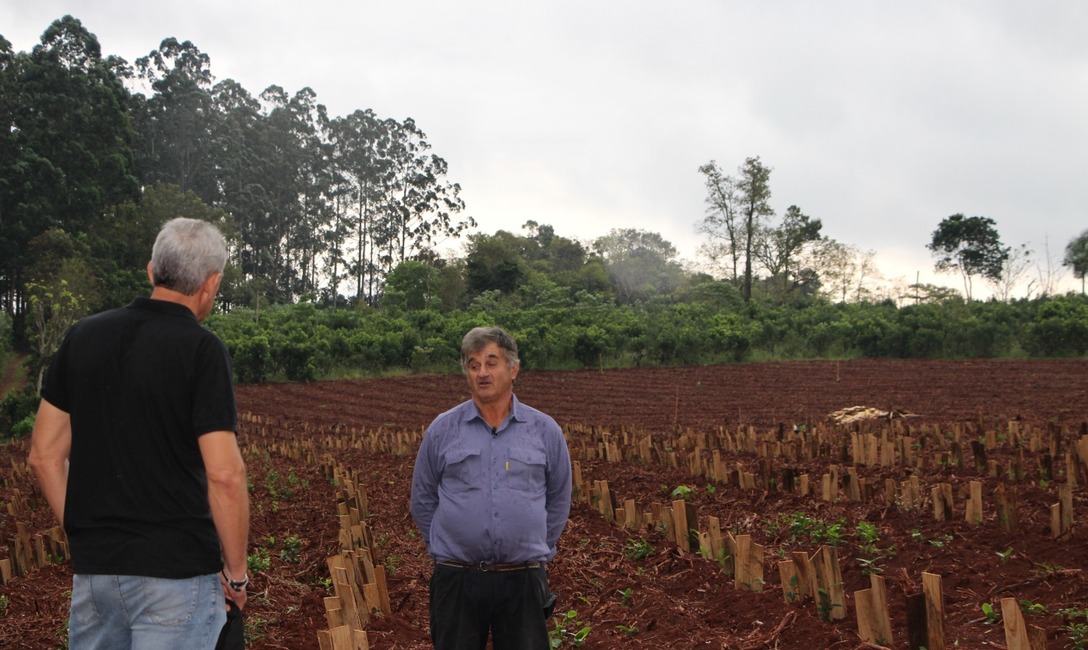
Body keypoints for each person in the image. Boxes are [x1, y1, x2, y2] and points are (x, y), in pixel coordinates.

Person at [28, 217, 250, 650]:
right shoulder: (202, 350)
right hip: (177, 575)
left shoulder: (83, 337)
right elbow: (226, 476)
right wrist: (236, 575)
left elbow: (44, 455)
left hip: (96, 576)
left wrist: (88, 536)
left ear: (151, 270)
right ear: (211, 284)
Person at [410, 326, 572, 650]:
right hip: (457, 578)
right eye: (473, 365)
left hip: (523, 579)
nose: (482, 373)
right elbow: (423, 499)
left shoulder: (544, 431)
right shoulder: (443, 430)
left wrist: (535, 542)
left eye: (491, 362)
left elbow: (558, 498)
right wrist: (450, 544)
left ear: (513, 369)